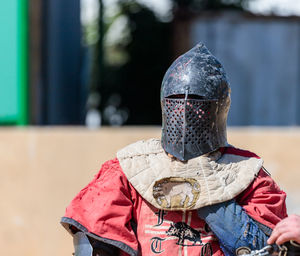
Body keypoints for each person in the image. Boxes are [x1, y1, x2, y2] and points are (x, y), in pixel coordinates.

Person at [61, 43, 287, 256]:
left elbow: (266, 249)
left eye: (197, 103)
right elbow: (91, 242)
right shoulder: (128, 169)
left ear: (218, 108)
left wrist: (213, 192)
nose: (187, 111)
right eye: (177, 101)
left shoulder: (247, 173)